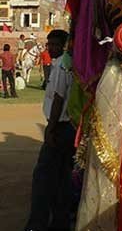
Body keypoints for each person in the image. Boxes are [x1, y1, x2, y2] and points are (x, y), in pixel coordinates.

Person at [24, 29, 75, 231]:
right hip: (65, 127)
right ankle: (60, 222)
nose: (51, 48)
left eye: (55, 45)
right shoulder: (64, 63)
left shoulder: (63, 64)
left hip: (59, 128)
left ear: (64, 46)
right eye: (49, 45)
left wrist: (50, 128)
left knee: (43, 177)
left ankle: (37, 224)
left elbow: (58, 98)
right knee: (62, 178)